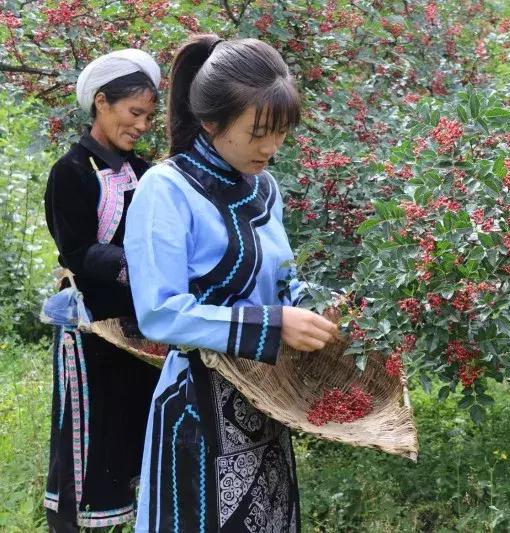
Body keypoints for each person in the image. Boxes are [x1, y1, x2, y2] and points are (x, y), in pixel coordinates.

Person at [123, 34, 340, 532]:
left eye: (281, 131)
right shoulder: (167, 188)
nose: (271, 147)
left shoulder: (265, 187)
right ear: (211, 121)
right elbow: (159, 312)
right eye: (258, 131)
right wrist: (273, 323)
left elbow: (282, 283)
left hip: (268, 400)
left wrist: (317, 308)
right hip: (199, 413)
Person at [42, 49, 162, 530]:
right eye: (135, 113)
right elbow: (76, 252)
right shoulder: (70, 172)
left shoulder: (148, 173)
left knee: (136, 428)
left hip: (141, 329)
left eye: (150, 117)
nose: (142, 125)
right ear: (101, 103)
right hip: (92, 328)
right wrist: (142, 266)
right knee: (92, 434)